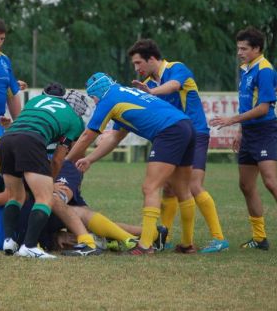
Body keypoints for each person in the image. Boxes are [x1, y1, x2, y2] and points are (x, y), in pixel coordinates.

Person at [67, 73, 197, 255]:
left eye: (92, 97)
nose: (94, 101)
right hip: (186, 126)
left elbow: (88, 135)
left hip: (169, 131)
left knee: (150, 187)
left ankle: (145, 245)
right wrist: (90, 159)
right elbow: (115, 138)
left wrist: (66, 160)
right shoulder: (124, 93)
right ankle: (187, 243)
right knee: (182, 189)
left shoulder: (107, 99)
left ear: (98, 91)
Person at [128, 39, 228, 253]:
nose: (137, 69)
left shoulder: (176, 69)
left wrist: (151, 93)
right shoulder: (150, 84)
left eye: (138, 63)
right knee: (169, 189)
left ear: (152, 58)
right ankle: (170, 239)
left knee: (193, 185)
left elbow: (173, 86)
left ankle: (218, 238)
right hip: (174, 136)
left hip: (196, 132)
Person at [210, 26, 277, 254]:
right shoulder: (247, 69)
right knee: (246, 185)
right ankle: (260, 238)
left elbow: (262, 108)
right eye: (238, 48)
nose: (239, 52)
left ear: (257, 49)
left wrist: (232, 120)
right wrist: (241, 131)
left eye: (244, 49)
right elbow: (248, 104)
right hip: (249, 133)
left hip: (264, 131)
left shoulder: (264, 70)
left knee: (271, 182)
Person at [0, 84, 97, 258]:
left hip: (7, 138)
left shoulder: (36, 100)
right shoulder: (75, 121)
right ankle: (29, 246)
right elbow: (59, 159)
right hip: (31, 141)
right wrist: (49, 182)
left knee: (15, 196)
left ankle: (9, 240)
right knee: (44, 197)